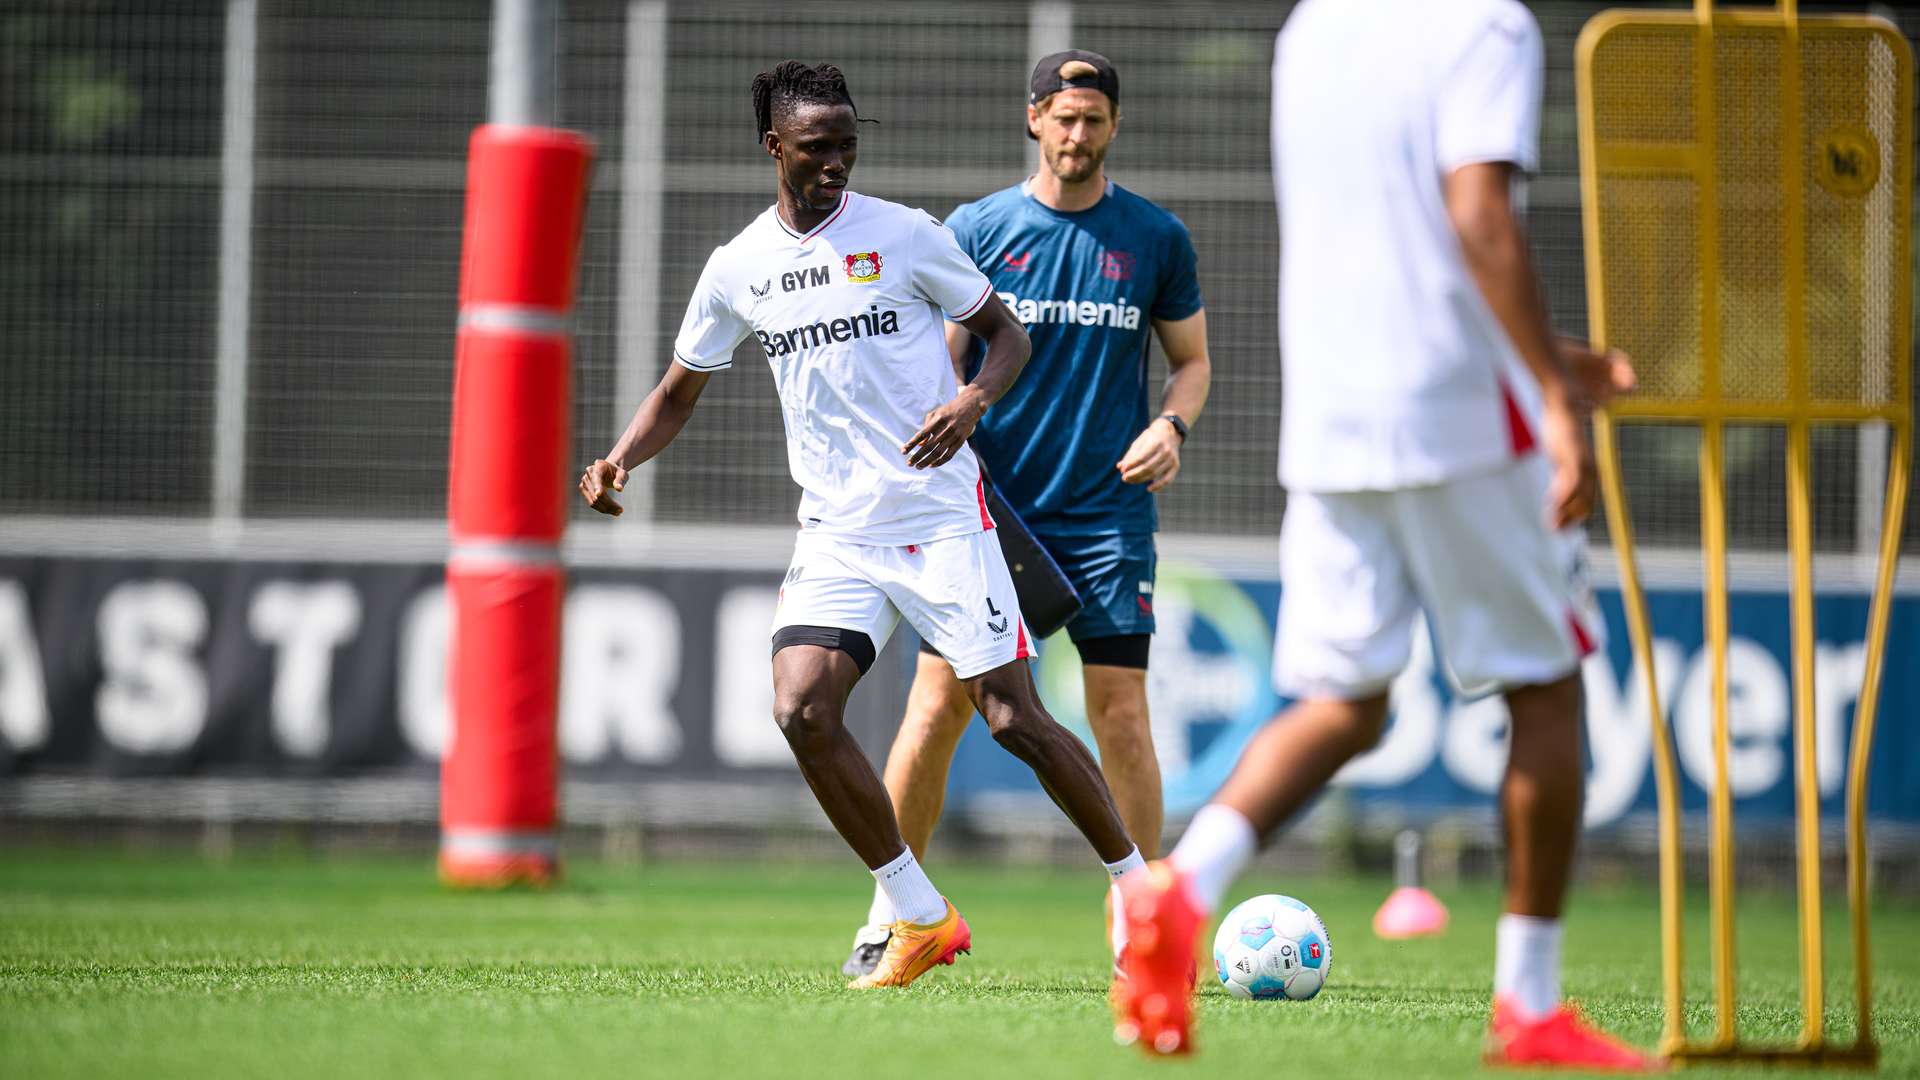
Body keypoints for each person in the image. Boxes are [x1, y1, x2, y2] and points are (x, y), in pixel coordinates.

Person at [1115, 0, 1655, 1069]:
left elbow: (1390, 242)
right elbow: (1475, 219)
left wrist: (1541, 349)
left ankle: (1181, 891)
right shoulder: (1486, 27)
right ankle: (1532, 1008)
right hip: (1460, 418)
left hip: (1333, 416)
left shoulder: (1313, 30)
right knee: (1548, 687)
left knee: (1344, 703)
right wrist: (1548, 391)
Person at [580, 60, 1144, 990]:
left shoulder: (907, 235)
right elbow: (682, 388)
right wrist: (619, 460)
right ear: (774, 148)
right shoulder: (738, 267)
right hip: (836, 531)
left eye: (847, 143)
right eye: (816, 147)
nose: (837, 161)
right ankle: (918, 911)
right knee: (801, 707)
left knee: (1013, 719)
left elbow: (1009, 334)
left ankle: (1135, 889)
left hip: (940, 520)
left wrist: (971, 402)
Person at [841, 49, 1212, 978]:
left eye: (1094, 119)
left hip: (1106, 519)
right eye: (1062, 116)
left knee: (1119, 713)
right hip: (990, 516)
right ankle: (898, 910)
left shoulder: (1156, 238)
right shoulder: (980, 227)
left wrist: (1172, 422)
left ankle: (1141, 923)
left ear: (1113, 126)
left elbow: (1193, 362)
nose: (1078, 134)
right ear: (1034, 119)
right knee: (937, 708)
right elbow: (941, 358)